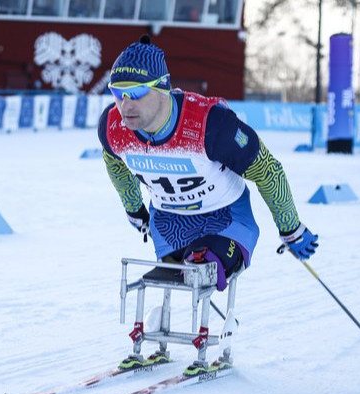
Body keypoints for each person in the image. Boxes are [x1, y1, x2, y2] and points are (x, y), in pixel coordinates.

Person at [99, 36, 319, 371]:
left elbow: (268, 170)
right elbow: (114, 162)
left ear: (162, 87)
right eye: (118, 93)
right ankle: (156, 334)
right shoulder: (114, 127)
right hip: (170, 224)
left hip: (226, 219)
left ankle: (217, 343)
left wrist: (290, 227)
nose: (125, 104)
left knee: (202, 268)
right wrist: (134, 209)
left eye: (136, 92)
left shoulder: (211, 125)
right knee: (172, 275)